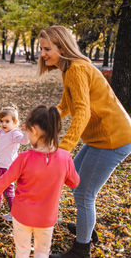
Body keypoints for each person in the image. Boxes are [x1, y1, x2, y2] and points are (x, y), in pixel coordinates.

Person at [36, 25, 131, 258]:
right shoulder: (69, 69)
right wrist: (45, 120)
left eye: (47, 48)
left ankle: (81, 249)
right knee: (75, 181)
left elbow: (82, 113)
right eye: (41, 48)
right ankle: (86, 228)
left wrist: (64, 149)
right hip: (100, 137)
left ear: (62, 47)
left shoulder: (77, 69)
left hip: (112, 139)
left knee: (84, 193)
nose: (43, 53)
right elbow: (66, 106)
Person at [0, 105, 80, 258]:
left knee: (22, 252)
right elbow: (74, 182)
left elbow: (2, 182)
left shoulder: (23, 158)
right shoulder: (65, 158)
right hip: (47, 219)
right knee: (42, 253)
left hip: (21, 217)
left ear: (33, 130)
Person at [0, 106, 29, 221]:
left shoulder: (15, 133)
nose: (3, 124)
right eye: (1, 121)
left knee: (8, 190)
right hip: (1, 165)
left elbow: (24, 141)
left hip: (9, 166)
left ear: (15, 122)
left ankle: (15, 213)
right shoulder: (2, 131)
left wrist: (26, 131)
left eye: (7, 121)